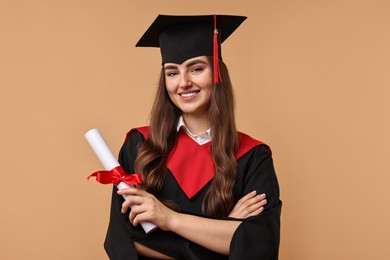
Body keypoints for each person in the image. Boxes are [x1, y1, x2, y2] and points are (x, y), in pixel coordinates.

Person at [104, 14, 282, 259]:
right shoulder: (140, 147)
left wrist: (169, 219)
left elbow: (260, 247)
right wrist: (226, 234)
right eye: (172, 73)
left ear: (217, 73)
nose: (184, 83)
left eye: (196, 68)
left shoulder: (253, 156)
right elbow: (121, 241)